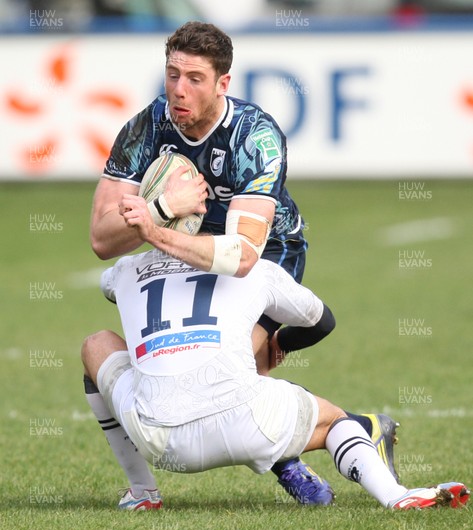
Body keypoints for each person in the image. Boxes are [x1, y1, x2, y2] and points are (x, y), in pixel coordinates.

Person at [89, 20, 400, 501]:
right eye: (172, 74)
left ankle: (296, 459)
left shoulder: (256, 137)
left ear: (223, 83)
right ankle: (316, 449)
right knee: (205, 372)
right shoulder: (144, 128)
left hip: (265, 252)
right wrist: (161, 210)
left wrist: (153, 229)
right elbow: (102, 240)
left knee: (233, 370)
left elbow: (242, 255)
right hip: (181, 250)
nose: (179, 89)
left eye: (194, 78)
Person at [81, 247, 469, 511]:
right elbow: (322, 321)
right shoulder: (256, 265)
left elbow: (113, 283)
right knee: (334, 420)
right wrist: (276, 343)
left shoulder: (125, 270)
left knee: (96, 344)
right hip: (250, 423)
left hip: (160, 441)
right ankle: (394, 496)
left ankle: (143, 491)